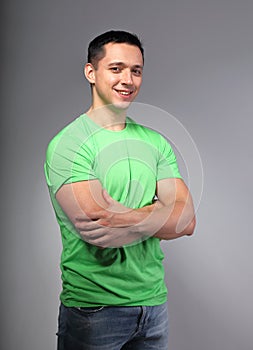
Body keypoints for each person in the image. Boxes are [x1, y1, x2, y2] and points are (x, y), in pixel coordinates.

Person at [44, 30, 196, 350]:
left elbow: (186, 220)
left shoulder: (155, 142)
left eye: (135, 70)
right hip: (95, 310)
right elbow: (98, 225)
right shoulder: (69, 144)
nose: (127, 79)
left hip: (153, 306)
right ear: (91, 72)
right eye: (116, 68)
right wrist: (158, 211)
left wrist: (125, 217)